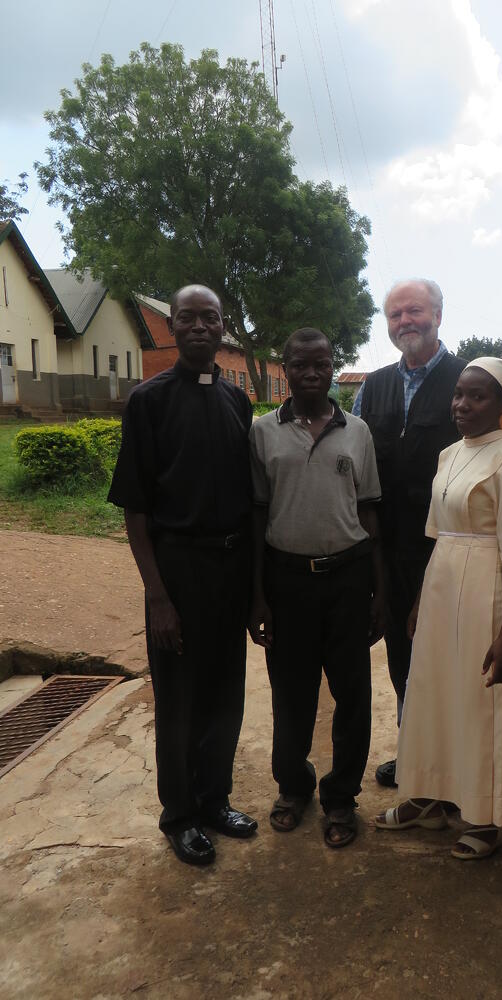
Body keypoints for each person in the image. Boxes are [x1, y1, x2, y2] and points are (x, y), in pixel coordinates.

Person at [375, 357, 502, 860]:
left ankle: (489, 818)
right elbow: (437, 536)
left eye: (477, 396)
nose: (462, 404)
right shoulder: (449, 455)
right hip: (441, 583)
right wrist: (418, 603)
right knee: (431, 690)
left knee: (482, 702)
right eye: (458, 394)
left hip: (490, 590)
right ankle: (427, 796)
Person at [108, 284, 257, 867]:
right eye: (188, 318)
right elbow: (136, 511)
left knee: (226, 693)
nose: (199, 327)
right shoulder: (148, 401)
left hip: (231, 567)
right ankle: (180, 816)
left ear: (224, 328)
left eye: (211, 318)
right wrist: (158, 596)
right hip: (178, 570)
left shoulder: (238, 402)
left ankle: (215, 800)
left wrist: (252, 591)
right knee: (179, 700)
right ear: (172, 326)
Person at [249, 328, 384, 849]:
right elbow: (258, 514)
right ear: (284, 368)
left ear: (334, 366)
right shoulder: (263, 432)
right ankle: (294, 786)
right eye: (300, 365)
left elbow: (370, 512)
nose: (311, 373)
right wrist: (257, 596)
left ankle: (342, 798)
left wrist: (381, 594)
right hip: (286, 583)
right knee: (291, 693)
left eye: (321, 364)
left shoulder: (358, 431)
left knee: (352, 694)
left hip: (348, 580)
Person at [354, 279, 465, 787]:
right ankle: (415, 753)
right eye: (395, 315)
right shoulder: (371, 389)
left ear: (439, 315)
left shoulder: (468, 382)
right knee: (402, 656)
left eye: (414, 311)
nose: (405, 322)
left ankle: (454, 764)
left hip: (451, 551)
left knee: (449, 660)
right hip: (390, 550)